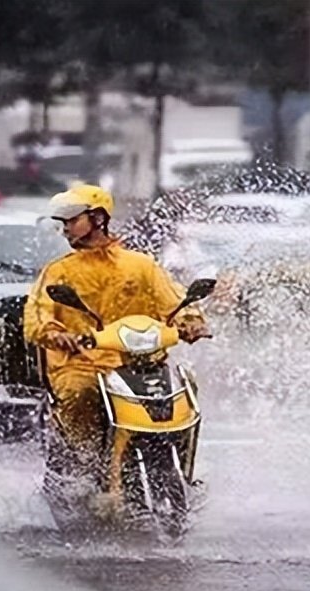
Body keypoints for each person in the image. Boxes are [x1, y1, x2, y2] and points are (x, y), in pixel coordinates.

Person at [23, 184, 210, 495]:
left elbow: (173, 300)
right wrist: (57, 334)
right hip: (81, 365)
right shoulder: (58, 272)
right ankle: (85, 461)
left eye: (72, 219)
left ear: (97, 218)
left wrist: (191, 323)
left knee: (185, 391)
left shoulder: (141, 265)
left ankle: (182, 468)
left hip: (139, 365)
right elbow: (37, 316)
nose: (65, 228)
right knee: (79, 393)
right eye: (64, 222)